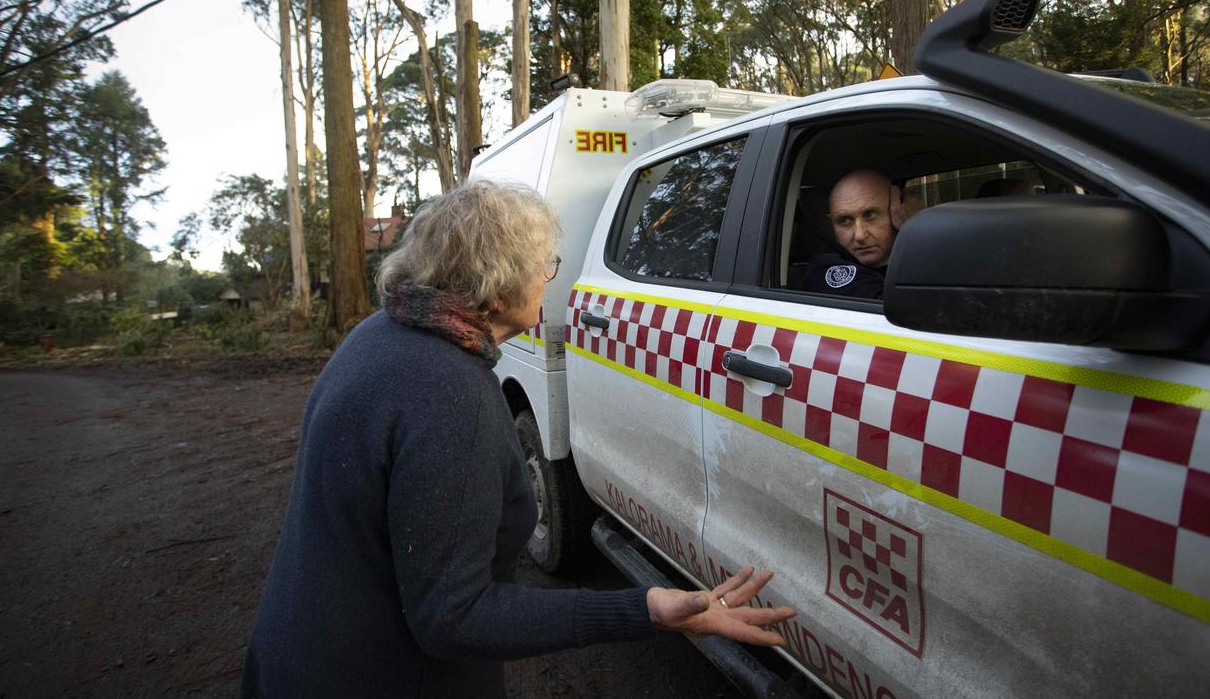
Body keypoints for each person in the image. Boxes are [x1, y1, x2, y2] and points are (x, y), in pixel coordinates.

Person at [240, 180, 795, 699]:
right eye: (543, 265)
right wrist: (646, 607)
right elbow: (455, 617)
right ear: (498, 281)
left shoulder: (380, 334)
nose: (548, 278)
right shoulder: (450, 393)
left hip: (291, 655)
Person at [800, 169, 922, 300]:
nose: (860, 235)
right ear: (832, 226)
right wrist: (917, 231)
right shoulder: (827, 273)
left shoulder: (901, 262)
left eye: (870, 215)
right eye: (844, 220)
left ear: (898, 212)